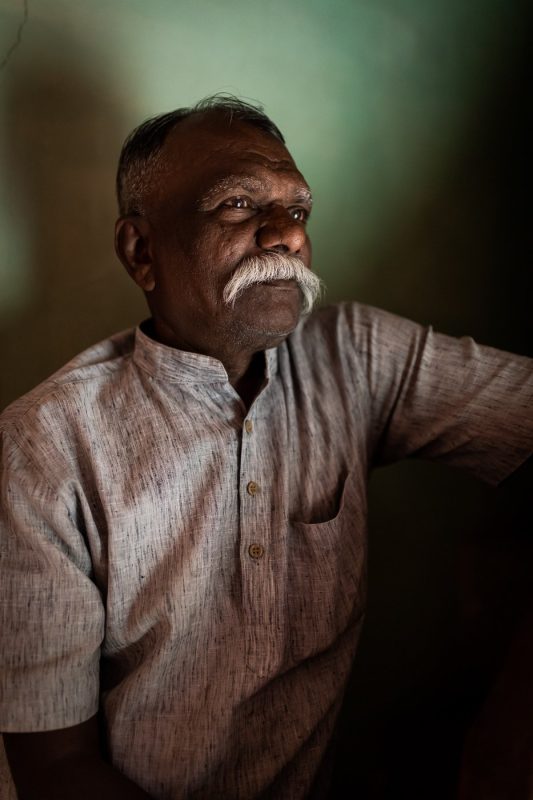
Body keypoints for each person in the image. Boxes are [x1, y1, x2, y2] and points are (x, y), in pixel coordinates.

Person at [0, 96, 532, 800]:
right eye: (238, 205)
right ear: (141, 251)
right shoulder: (44, 446)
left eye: (297, 211)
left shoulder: (356, 356)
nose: (285, 235)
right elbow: (56, 772)